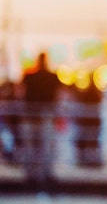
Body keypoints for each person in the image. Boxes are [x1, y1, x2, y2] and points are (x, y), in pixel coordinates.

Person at [22, 51, 62, 187]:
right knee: (46, 145)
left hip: (31, 114)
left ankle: (32, 174)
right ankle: (45, 173)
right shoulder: (52, 77)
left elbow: (21, 94)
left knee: (31, 146)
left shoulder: (29, 76)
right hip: (46, 114)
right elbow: (58, 96)